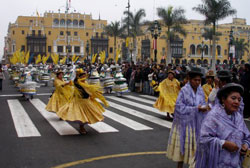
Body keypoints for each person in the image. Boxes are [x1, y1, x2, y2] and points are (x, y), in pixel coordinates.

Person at [195, 83, 250, 168]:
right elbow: (203, 139)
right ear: (223, 99)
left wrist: (245, 145)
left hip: (235, 163)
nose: (236, 102)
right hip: (217, 163)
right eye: (233, 98)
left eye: (239, 100)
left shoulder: (238, 117)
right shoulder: (213, 116)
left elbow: (247, 136)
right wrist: (224, 143)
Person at [166, 67, 209, 168]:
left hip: (197, 124)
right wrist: (195, 109)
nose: (198, 82)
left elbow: (203, 102)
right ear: (190, 79)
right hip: (185, 125)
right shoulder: (184, 91)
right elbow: (179, 108)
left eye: (199, 80)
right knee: (181, 153)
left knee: (196, 152)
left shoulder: (200, 90)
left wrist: (205, 107)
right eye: (195, 80)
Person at [56, 69, 109, 134]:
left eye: (85, 76)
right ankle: (81, 127)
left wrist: (96, 93)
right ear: (79, 77)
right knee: (80, 115)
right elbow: (74, 84)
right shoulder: (77, 83)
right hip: (79, 101)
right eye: (83, 76)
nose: (84, 77)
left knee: (90, 114)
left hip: (86, 100)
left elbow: (89, 90)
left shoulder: (85, 82)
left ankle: (82, 126)